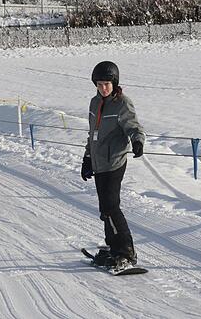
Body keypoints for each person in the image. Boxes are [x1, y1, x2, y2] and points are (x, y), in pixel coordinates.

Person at [81, 61, 145, 270]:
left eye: (107, 83)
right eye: (99, 84)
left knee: (112, 207)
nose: (103, 88)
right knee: (104, 209)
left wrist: (137, 142)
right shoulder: (94, 103)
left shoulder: (122, 104)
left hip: (114, 161)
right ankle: (112, 246)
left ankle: (127, 251)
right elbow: (92, 134)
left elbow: (134, 127)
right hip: (99, 162)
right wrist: (87, 158)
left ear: (114, 82)